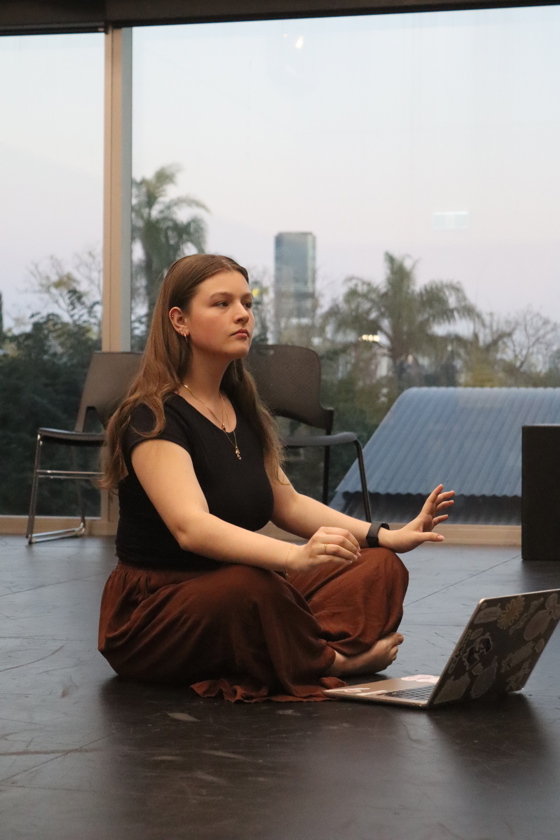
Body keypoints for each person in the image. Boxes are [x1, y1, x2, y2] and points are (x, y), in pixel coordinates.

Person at [98, 254, 454, 702]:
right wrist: (293, 557)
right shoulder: (153, 416)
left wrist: (384, 535)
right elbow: (191, 528)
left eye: (247, 303)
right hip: (157, 610)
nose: (243, 315)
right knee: (252, 586)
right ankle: (333, 661)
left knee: (377, 566)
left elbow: (288, 503)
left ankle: (287, 648)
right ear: (179, 320)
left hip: (242, 588)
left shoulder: (239, 409)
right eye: (222, 303)